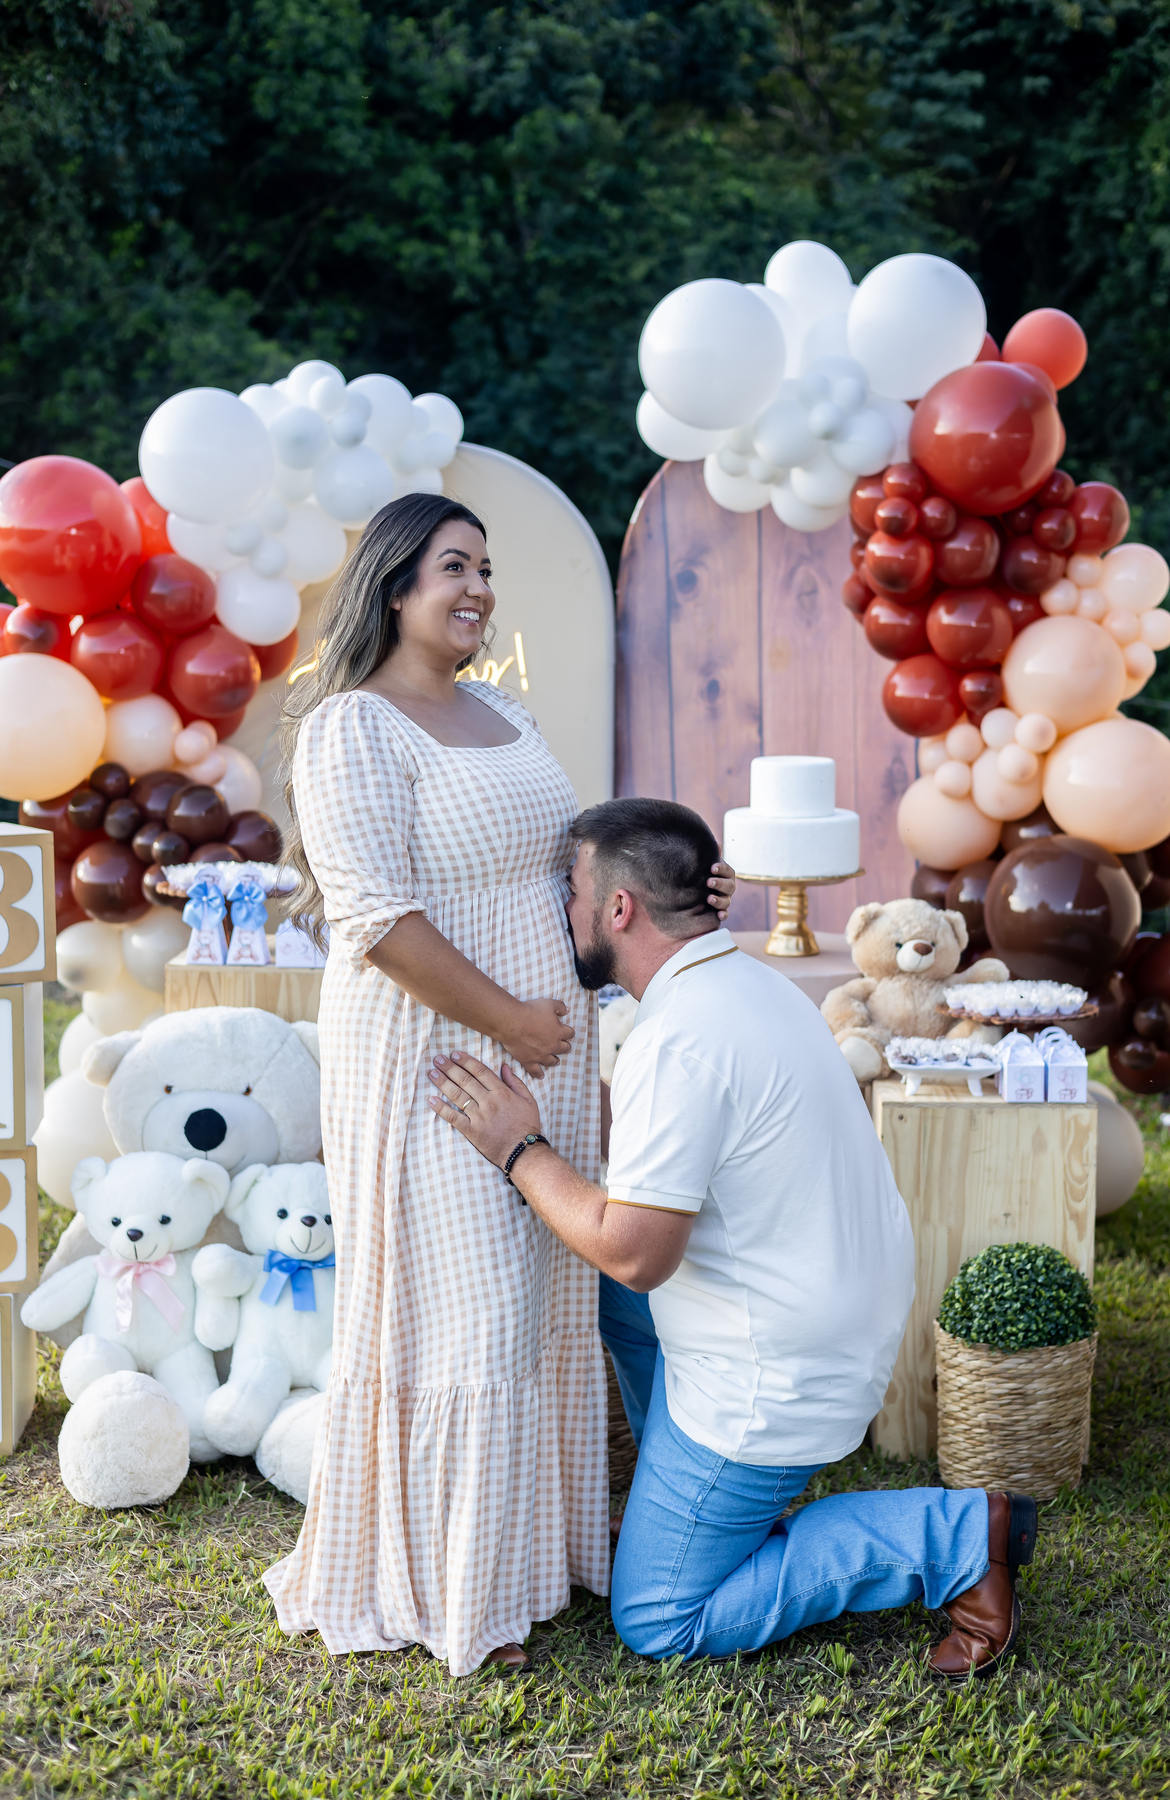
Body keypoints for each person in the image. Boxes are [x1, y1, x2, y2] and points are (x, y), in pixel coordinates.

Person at [267, 497, 735, 1676]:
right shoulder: (351, 730)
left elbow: (576, 860)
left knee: (539, 1297)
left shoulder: (505, 712)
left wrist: (677, 888)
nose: (478, 588)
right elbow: (376, 920)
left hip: (543, 1051)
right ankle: (453, 1586)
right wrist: (515, 1022)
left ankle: (535, 1555)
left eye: (487, 568)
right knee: (469, 1303)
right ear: (391, 587)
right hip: (443, 1059)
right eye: (453, 567)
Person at [426, 796, 1039, 1677]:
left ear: (620, 910)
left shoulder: (679, 1037)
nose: (560, 912)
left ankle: (953, 1535)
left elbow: (640, 1250)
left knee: (660, 1616)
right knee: (615, 1299)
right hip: (831, 1308)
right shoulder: (744, 980)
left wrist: (516, 1148)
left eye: (570, 891)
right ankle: (674, 1502)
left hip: (779, 1375)